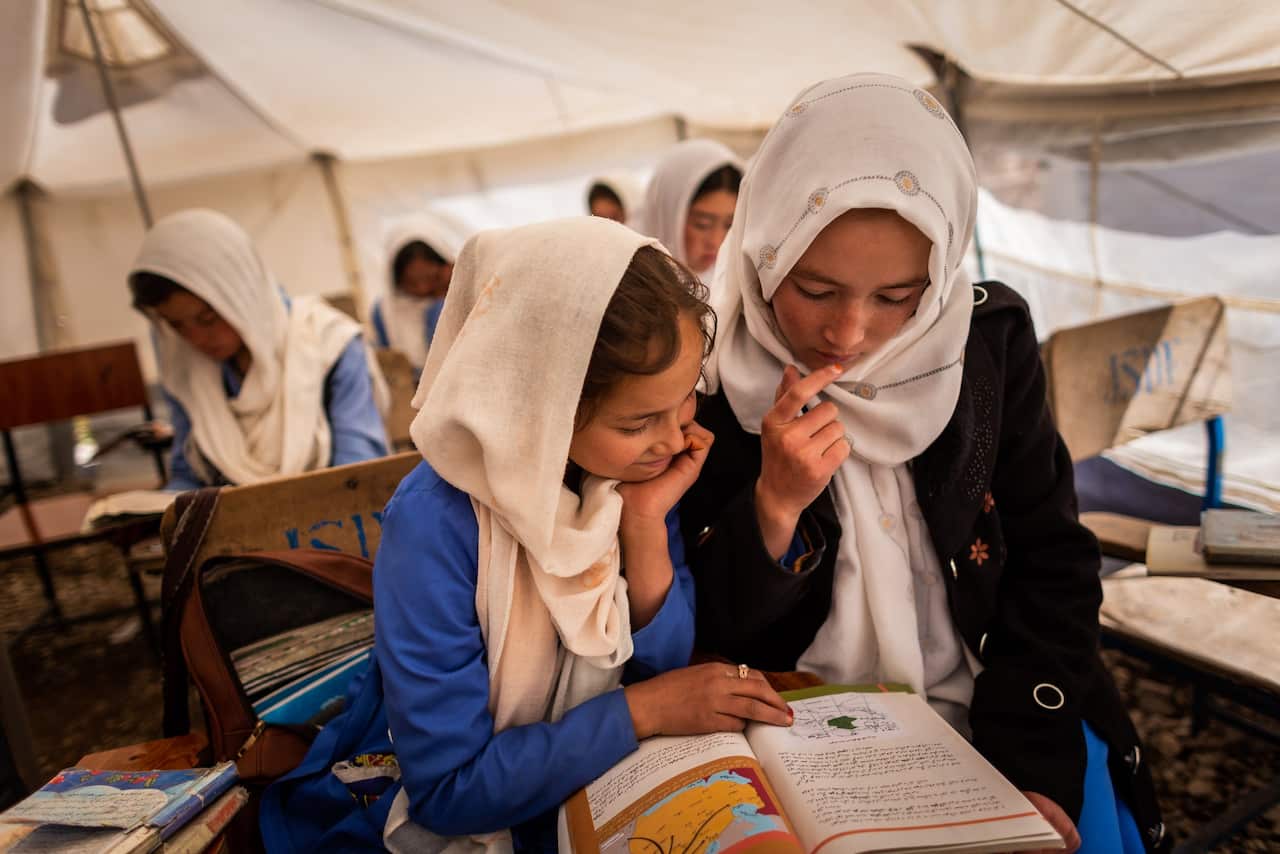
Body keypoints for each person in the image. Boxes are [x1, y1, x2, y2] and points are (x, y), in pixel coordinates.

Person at [680, 74, 1165, 853]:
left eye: (898, 295)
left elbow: (1051, 558)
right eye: (814, 288)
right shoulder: (706, 375)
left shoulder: (983, 350)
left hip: (989, 708)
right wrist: (774, 508)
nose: (848, 332)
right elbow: (694, 628)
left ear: (939, 282)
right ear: (766, 245)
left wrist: (1031, 765)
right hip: (788, 726)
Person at [261, 217, 792, 852]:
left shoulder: (618, 476)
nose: (678, 440)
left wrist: (646, 523)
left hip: (584, 779)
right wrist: (640, 712)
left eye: (685, 403)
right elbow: (451, 789)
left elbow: (663, 665)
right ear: (539, 403)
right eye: (639, 421)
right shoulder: (435, 525)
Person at [129, 209, 388, 491]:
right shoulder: (186, 367)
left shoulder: (329, 346)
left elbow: (359, 474)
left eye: (207, 318)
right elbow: (188, 472)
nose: (196, 338)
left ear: (242, 295)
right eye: (176, 324)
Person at [370, 212, 469, 371]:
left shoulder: (452, 300)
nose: (422, 288)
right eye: (412, 283)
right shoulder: (384, 312)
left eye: (430, 278)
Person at [635, 139, 742, 280]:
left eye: (729, 225)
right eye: (702, 224)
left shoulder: (733, 283)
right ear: (669, 215)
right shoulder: (632, 284)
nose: (716, 241)